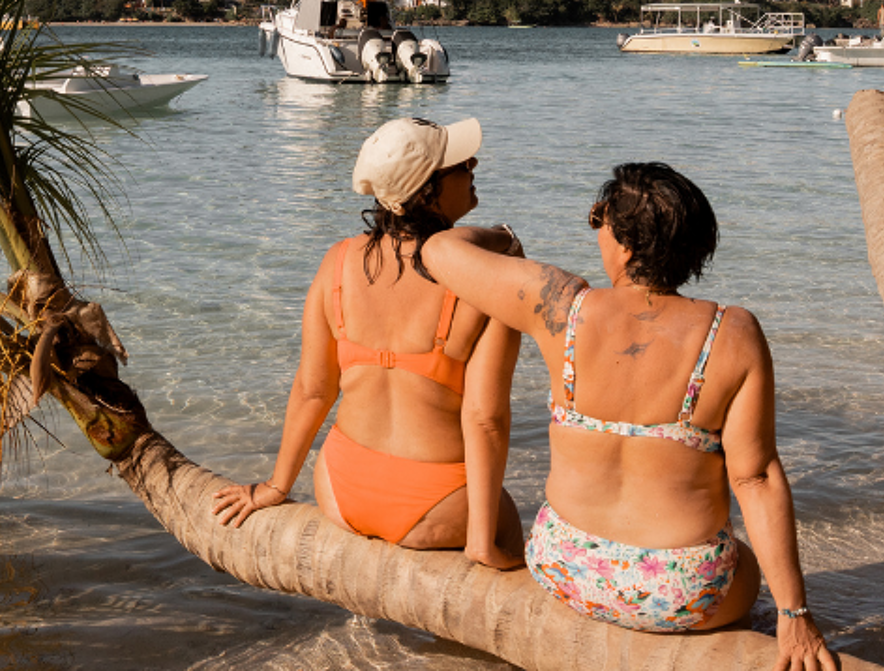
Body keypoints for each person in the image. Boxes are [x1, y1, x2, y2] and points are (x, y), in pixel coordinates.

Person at [423, 163, 838, 670]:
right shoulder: (733, 333)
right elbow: (755, 476)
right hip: (682, 593)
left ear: (623, 244)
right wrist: (794, 612)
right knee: (745, 567)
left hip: (564, 566)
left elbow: (438, 249)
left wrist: (504, 236)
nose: (596, 229)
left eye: (599, 219)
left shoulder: (560, 308)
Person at [211, 117, 525, 569]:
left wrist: (276, 487)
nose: (473, 163)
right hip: (442, 505)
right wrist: (483, 542)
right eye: (459, 162)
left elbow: (313, 389)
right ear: (427, 192)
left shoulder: (336, 263)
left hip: (341, 490)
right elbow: (486, 419)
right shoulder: (487, 277)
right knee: (509, 527)